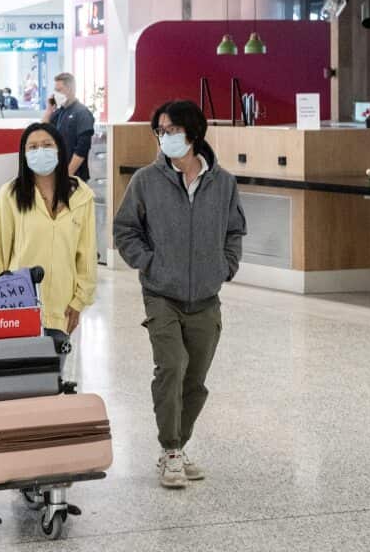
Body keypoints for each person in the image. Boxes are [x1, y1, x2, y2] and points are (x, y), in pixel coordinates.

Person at [113, 100, 246, 490]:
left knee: (196, 380)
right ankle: (170, 449)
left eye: (171, 130)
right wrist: (149, 263)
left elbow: (234, 231)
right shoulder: (146, 181)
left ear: (193, 132)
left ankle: (178, 445)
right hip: (161, 294)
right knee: (171, 368)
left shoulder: (223, 183)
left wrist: (225, 266)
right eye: (161, 130)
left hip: (206, 296)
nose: (165, 137)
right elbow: (125, 230)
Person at [0, 123, 96, 348]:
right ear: (24, 155)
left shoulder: (82, 196)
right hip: (18, 306)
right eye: (33, 147)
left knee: (54, 379)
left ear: (59, 150)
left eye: (47, 145)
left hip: (62, 308)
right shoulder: (10, 194)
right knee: (19, 380)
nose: (40, 152)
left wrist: (79, 301)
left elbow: (86, 256)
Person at [43, 73, 95, 182]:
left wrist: (68, 175)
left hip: (74, 176)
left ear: (70, 89)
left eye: (59, 90)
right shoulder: (59, 112)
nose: (56, 94)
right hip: (57, 173)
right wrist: (49, 110)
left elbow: (82, 148)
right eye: (55, 90)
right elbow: (43, 132)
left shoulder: (82, 113)